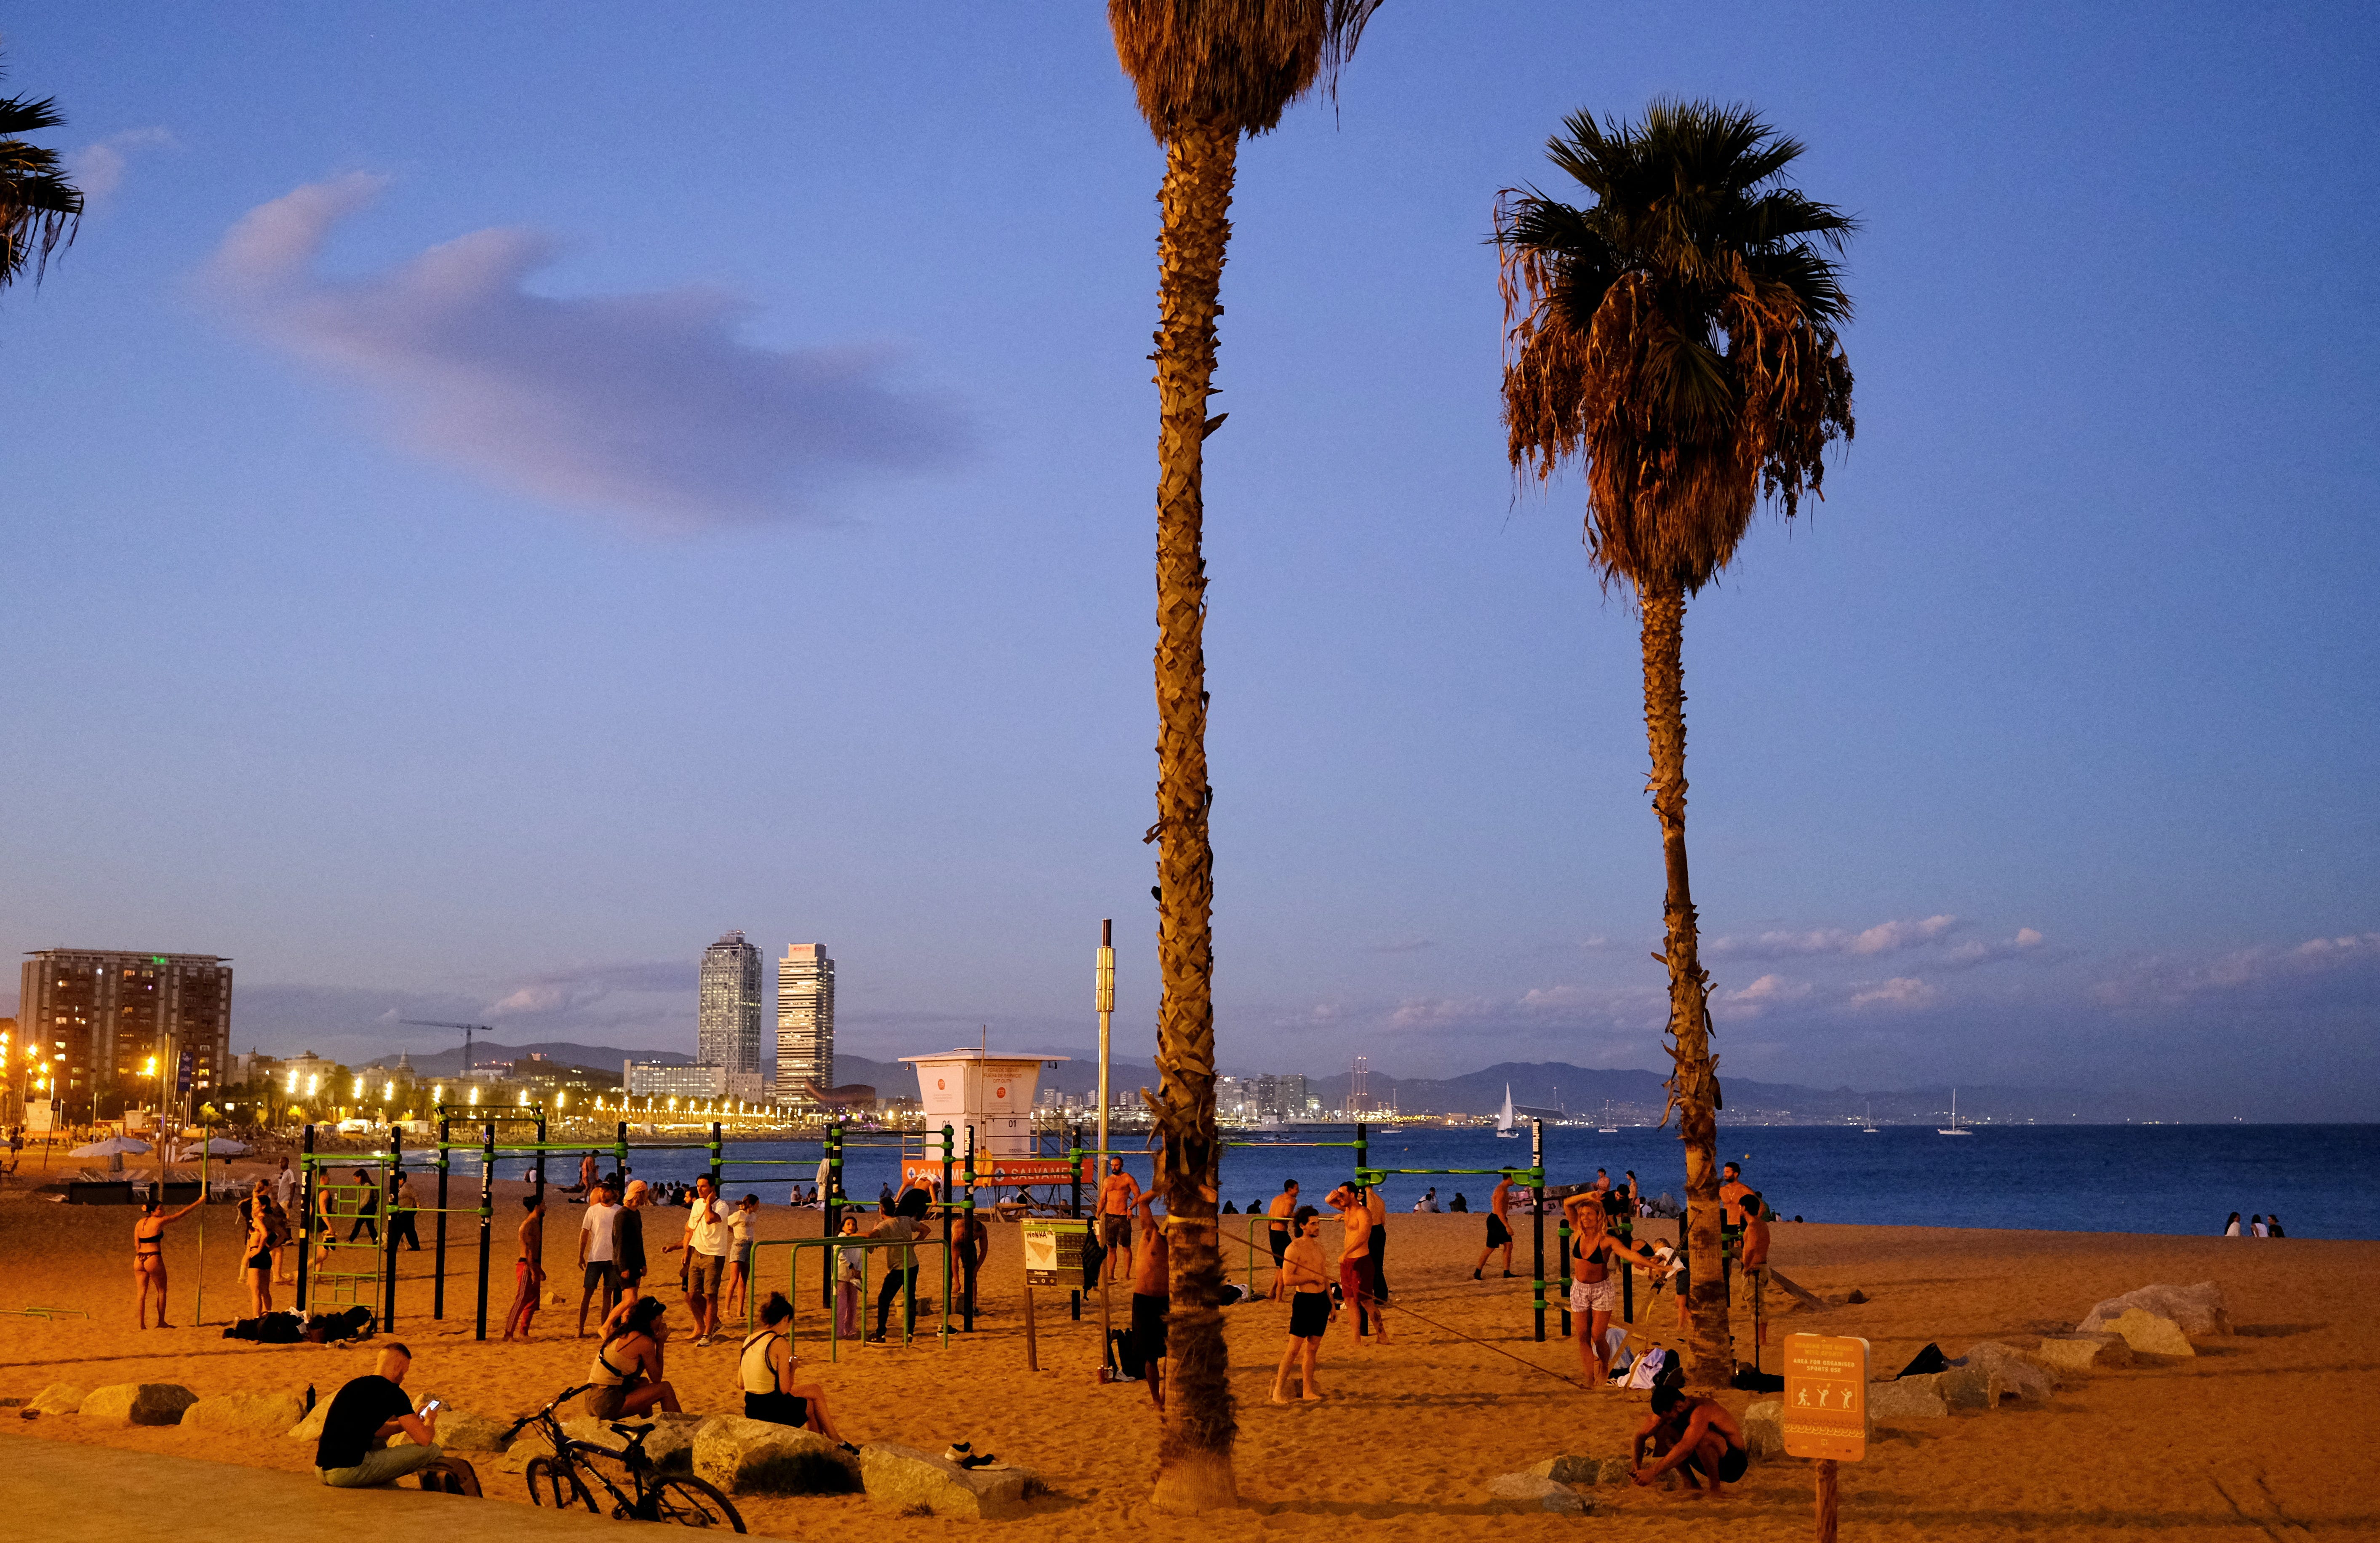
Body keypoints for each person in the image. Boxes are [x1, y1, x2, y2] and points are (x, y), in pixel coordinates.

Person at [315, 1344, 449, 1488]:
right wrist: (430, 1420)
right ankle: (437, 1494)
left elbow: (375, 1431)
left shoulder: (353, 1385)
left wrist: (406, 1424)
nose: (404, 1377)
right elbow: (425, 1440)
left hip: (323, 1470)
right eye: (405, 1371)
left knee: (378, 1443)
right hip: (347, 1472)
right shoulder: (393, 1393)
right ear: (398, 1366)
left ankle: (390, 1487)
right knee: (432, 1450)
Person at [739, 1292, 855, 1444]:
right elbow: (785, 1389)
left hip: (752, 1407)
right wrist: (793, 1368)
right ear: (786, 1318)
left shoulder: (749, 1339)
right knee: (811, 1404)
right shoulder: (779, 1343)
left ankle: (830, 1442)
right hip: (771, 1411)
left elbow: (741, 1384)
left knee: (814, 1391)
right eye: (790, 1322)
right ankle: (830, 1443)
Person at [1632, 1385, 1749, 1496]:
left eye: (1669, 1418)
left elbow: (1687, 1447)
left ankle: (1715, 1489)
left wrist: (1652, 1472)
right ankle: (1691, 1484)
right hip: (1705, 1459)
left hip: (1733, 1464)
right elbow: (1641, 1436)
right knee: (1663, 1431)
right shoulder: (1669, 1410)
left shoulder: (1702, 1411)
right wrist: (1636, 1466)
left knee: (1703, 1437)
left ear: (1678, 1406)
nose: (1667, 1421)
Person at [1268, 1206, 1331, 1404]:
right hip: (1304, 1302)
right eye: (1313, 1224)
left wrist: (1332, 1304)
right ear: (1303, 1226)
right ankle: (1278, 1391)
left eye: (1318, 1223)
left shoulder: (1319, 1248)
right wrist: (1311, 1277)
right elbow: (1287, 1279)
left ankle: (1307, 1390)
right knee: (1294, 1349)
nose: (1317, 1227)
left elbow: (1325, 1278)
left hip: (1321, 1301)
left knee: (1313, 1348)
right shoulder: (1293, 1248)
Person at [585, 1295, 681, 1419]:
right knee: (665, 1388)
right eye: (660, 1319)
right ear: (651, 1321)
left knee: (643, 1383)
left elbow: (632, 1375)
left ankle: (647, 1425)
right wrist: (661, 1344)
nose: (662, 1323)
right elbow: (657, 1378)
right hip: (606, 1401)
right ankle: (679, 1429)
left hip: (592, 1397)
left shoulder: (624, 1332)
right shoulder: (644, 1341)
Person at [667, 1175, 733, 1347]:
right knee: (691, 1294)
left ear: (712, 1188)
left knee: (710, 1295)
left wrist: (709, 1203)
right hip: (697, 1252)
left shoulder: (722, 1206)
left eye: (704, 1186)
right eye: (698, 1186)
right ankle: (714, 1322)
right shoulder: (697, 1204)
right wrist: (686, 1252)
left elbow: (711, 1219)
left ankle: (708, 1333)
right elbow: (691, 1228)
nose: (700, 1189)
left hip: (714, 1254)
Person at [132, 1189, 205, 1328]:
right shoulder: (159, 1222)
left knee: (141, 1293)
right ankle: (161, 1322)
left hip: (139, 1259)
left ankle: (141, 1324)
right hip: (153, 1257)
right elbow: (180, 1215)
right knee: (162, 1291)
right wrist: (198, 1202)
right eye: (160, 1209)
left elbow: (137, 1244)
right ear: (153, 1212)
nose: (163, 1211)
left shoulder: (139, 1223)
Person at [868, 1185, 931, 1343]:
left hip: (898, 1268)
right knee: (910, 1297)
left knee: (884, 1299)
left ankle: (881, 1333)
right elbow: (926, 1230)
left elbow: (871, 1237)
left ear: (881, 1211)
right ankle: (909, 1333)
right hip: (912, 1264)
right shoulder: (905, 1220)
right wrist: (913, 1244)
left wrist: (857, 1233)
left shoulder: (884, 1225)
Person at [1328, 1182, 1389, 1344]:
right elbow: (1328, 1201)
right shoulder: (1347, 1211)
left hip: (1361, 1261)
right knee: (1349, 1301)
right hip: (1347, 1262)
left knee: (1366, 1301)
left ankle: (1382, 1335)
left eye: (1342, 1194)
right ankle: (1356, 1338)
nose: (1339, 1198)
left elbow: (1363, 1236)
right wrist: (1336, 1194)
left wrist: (1346, 1252)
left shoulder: (1364, 1213)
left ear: (1352, 1195)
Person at [1130, 1190, 1171, 1411]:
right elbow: (1143, 1201)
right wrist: (1163, 1185)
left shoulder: (1181, 1246)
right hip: (1145, 1301)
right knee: (1150, 1356)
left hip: (1167, 1300)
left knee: (1172, 1352)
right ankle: (1156, 1399)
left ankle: (1169, 1393)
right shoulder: (1151, 1234)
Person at [577, 1178, 624, 1337]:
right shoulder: (593, 1210)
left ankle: (603, 1327)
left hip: (613, 1259)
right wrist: (581, 1255)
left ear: (614, 1193)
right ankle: (580, 1329)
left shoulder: (619, 1210)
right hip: (595, 1258)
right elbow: (584, 1233)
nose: (603, 1193)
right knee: (587, 1294)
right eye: (602, 1190)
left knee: (607, 1295)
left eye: (607, 1190)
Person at [502, 1194, 546, 1341]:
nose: (545, 1207)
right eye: (543, 1204)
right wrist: (534, 1270)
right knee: (521, 1299)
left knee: (533, 1300)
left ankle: (524, 1333)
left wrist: (539, 1269)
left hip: (532, 1264)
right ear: (537, 1207)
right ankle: (509, 1334)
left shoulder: (535, 1224)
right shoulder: (529, 1225)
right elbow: (528, 1251)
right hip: (526, 1265)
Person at [1098, 1158, 1140, 1284]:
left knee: (1126, 1247)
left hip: (1123, 1217)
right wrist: (1097, 1214)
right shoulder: (1107, 1180)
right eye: (1112, 1165)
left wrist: (1130, 1208)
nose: (1114, 1167)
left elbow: (1138, 1195)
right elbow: (1103, 1200)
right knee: (1111, 1248)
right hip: (1109, 1217)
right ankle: (1111, 1274)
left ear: (1121, 1165)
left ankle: (1127, 1275)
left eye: (1116, 1165)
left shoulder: (1128, 1178)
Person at [722, 1194, 761, 1321]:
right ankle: (726, 1310)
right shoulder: (739, 1215)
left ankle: (740, 1311)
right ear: (752, 1204)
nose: (758, 1207)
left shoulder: (754, 1216)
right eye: (757, 1204)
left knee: (743, 1280)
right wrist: (734, 1232)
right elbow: (725, 1223)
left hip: (750, 1245)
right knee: (734, 1279)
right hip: (739, 1245)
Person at [241, 1182, 277, 1319]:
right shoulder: (269, 1219)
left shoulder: (258, 1219)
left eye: (256, 1204)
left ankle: (257, 1320)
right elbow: (283, 1235)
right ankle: (269, 1317)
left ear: (263, 1206)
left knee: (256, 1293)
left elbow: (265, 1234)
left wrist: (259, 1249)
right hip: (266, 1256)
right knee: (265, 1291)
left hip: (257, 1255)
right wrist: (271, 1248)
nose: (253, 1206)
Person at [1473, 1172, 1516, 1280]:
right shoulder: (1501, 1191)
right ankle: (1478, 1272)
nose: (1516, 1181)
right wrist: (1507, 1226)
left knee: (1509, 1245)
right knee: (1491, 1248)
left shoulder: (1504, 1190)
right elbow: (1499, 1212)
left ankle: (1507, 1272)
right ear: (1510, 1178)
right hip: (1496, 1220)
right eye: (1515, 1178)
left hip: (1500, 1219)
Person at [616, 1179, 649, 1307]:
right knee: (630, 1299)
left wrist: (643, 1263)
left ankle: (626, 1325)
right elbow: (620, 1243)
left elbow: (639, 1240)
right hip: (625, 1263)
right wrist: (624, 1267)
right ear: (640, 1194)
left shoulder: (636, 1213)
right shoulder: (623, 1215)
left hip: (635, 1262)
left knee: (632, 1299)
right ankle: (606, 1326)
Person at [1265, 1180, 1300, 1300]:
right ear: (1290, 1189)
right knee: (1285, 1265)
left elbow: (1270, 1216)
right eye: (1297, 1189)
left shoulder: (1276, 1199)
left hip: (1273, 1233)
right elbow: (1286, 1213)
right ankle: (1279, 1297)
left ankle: (1272, 1292)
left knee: (1281, 1266)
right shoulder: (1292, 1200)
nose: (1298, 1191)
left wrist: (1270, 1231)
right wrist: (1298, 1216)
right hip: (1281, 1234)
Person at [834, 1216, 865, 1338]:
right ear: (843, 1227)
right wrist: (851, 1267)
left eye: (853, 1224)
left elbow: (860, 1257)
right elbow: (839, 1254)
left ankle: (850, 1329)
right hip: (842, 1275)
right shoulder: (841, 1238)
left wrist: (858, 1271)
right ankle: (839, 1331)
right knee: (841, 1304)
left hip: (853, 1276)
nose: (851, 1227)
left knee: (853, 1304)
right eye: (848, 1224)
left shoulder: (858, 1240)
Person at [386, 1172, 421, 1252]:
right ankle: (415, 1247)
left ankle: (393, 1247)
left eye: (398, 1179)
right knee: (409, 1230)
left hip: (407, 1211)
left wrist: (419, 1204)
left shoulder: (407, 1186)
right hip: (403, 1211)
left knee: (399, 1230)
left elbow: (415, 1195)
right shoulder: (400, 1187)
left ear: (402, 1179)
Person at [346, 1168, 381, 1243]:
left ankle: (350, 1240)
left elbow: (366, 1199)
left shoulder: (367, 1185)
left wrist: (359, 1207)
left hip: (368, 1208)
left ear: (360, 1177)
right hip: (370, 1208)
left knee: (359, 1225)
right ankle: (376, 1240)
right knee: (370, 1225)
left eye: (356, 1178)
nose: (355, 1180)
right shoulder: (367, 1184)